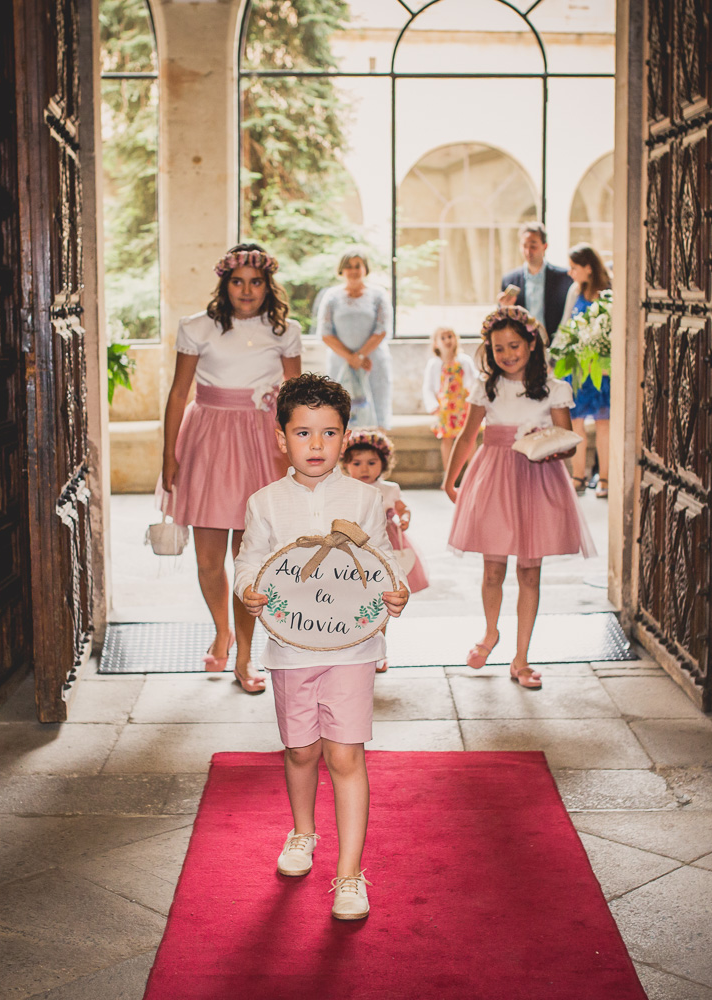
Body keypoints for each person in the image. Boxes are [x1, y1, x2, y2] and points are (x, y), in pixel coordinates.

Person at [234, 374, 409, 921]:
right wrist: (248, 589)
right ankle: (303, 832)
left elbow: (383, 558)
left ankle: (350, 873)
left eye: (329, 433)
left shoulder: (364, 498)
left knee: (345, 754)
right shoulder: (264, 504)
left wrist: (394, 592)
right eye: (303, 433)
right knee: (303, 751)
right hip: (290, 651)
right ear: (281, 438)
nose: (316, 445)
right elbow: (247, 561)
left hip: (351, 651)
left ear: (345, 436)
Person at [162, 244, 303, 693]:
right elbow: (179, 392)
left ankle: (245, 653)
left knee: (249, 557)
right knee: (208, 560)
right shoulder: (196, 328)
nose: (247, 290)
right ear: (225, 284)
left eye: (256, 282)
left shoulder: (285, 331)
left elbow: (298, 397)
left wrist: (304, 451)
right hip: (207, 442)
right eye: (237, 281)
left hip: (261, 445)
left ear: (268, 287)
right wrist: (169, 453)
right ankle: (220, 629)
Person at [444, 305, 596, 689]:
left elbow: (569, 443)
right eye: (498, 349)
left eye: (514, 345)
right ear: (489, 351)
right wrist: (451, 479)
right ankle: (490, 633)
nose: (507, 354)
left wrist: (550, 447)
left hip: (536, 479)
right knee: (492, 568)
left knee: (529, 571)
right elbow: (467, 435)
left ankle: (522, 658)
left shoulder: (554, 389)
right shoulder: (487, 387)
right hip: (494, 478)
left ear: (532, 343)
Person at [342, 427, 428, 673]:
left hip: (384, 548)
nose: (364, 469)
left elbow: (403, 508)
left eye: (371, 462)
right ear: (346, 464)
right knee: (354, 597)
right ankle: (353, 643)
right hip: (352, 549)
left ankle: (378, 648)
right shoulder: (344, 488)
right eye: (356, 463)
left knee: (382, 599)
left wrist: (404, 518)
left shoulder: (389, 489)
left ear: (383, 463)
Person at [318, 250, 394, 428]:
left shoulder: (378, 295)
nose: (353, 270)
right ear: (341, 270)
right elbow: (325, 332)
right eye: (348, 266)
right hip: (341, 363)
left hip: (372, 362)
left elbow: (382, 329)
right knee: (341, 412)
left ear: (365, 269)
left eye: (357, 266)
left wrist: (360, 357)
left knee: (376, 411)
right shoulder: (331, 296)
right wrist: (351, 358)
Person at [560, 243, 612, 497]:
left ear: (588, 268)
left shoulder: (610, 292)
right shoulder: (575, 290)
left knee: (604, 425)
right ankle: (577, 477)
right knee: (576, 424)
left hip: (602, 370)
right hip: (578, 370)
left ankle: (604, 480)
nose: (570, 273)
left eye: (574, 268)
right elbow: (565, 326)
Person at [499, 223, 573, 342]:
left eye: (533, 246)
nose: (528, 251)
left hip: (555, 345)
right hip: (522, 346)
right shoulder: (510, 280)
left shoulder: (564, 278)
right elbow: (503, 321)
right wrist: (504, 308)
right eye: (524, 246)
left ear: (545, 246)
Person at [421, 326, 477, 480]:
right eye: (443, 338)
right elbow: (428, 387)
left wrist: (474, 400)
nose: (447, 340)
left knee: (469, 438)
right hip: (445, 408)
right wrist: (433, 406)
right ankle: (449, 476)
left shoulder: (464, 361)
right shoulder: (434, 364)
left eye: (450, 336)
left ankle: (471, 475)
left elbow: (474, 381)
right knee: (447, 440)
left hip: (463, 406)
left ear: (456, 339)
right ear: (436, 343)